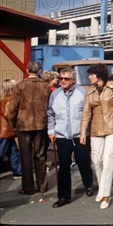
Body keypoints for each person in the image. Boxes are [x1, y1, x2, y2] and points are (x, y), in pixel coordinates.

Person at [80, 63, 113, 209]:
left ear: (98, 75)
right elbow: (86, 113)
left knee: (108, 160)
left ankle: (106, 195)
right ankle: (102, 187)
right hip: (96, 129)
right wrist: (82, 132)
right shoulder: (90, 91)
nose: (89, 77)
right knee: (96, 160)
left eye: (91, 74)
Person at [47, 68, 94, 208]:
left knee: (83, 162)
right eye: (61, 78)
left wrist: (87, 131)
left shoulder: (83, 92)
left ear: (73, 80)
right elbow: (50, 113)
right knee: (64, 166)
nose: (62, 81)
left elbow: (90, 113)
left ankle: (88, 184)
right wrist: (51, 130)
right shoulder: (55, 94)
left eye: (66, 79)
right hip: (62, 136)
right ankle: (64, 196)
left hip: (81, 135)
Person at [6, 61, 51, 195]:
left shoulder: (20, 86)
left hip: (23, 125)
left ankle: (28, 187)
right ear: (39, 71)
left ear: (27, 70)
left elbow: (12, 108)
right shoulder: (46, 86)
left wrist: (12, 123)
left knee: (25, 157)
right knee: (40, 155)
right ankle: (42, 185)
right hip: (41, 124)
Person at [0, 79, 22, 180]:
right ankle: (17, 172)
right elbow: (8, 114)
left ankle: (17, 171)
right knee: (1, 152)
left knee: (13, 151)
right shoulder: (9, 100)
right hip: (6, 131)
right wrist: (15, 125)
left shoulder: (3, 98)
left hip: (5, 131)